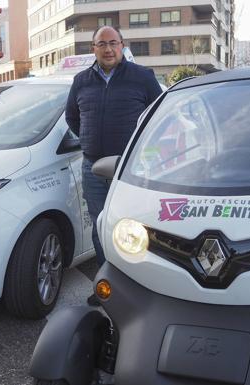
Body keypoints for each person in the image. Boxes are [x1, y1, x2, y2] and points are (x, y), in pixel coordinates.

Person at [65, 26, 162, 305]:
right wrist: (87, 138)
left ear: (122, 45)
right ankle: (108, 284)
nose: (108, 49)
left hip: (131, 168)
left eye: (113, 43)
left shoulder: (142, 77)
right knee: (100, 226)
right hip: (94, 168)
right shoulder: (81, 81)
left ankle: (141, 286)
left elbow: (157, 117)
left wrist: (145, 153)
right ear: (93, 48)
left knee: (136, 227)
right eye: (101, 44)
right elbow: (73, 116)